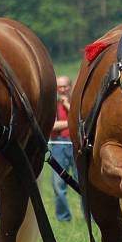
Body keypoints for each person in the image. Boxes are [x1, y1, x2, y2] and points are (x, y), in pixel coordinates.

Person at [51, 75, 75, 222]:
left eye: (65, 86)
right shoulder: (52, 105)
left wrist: (67, 106)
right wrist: (71, 122)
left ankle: (90, 216)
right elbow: (53, 126)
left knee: (83, 184)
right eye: (60, 87)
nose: (63, 90)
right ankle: (63, 218)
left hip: (75, 144)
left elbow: (82, 119)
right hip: (58, 144)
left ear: (70, 87)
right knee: (58, 184)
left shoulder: (76, 101)